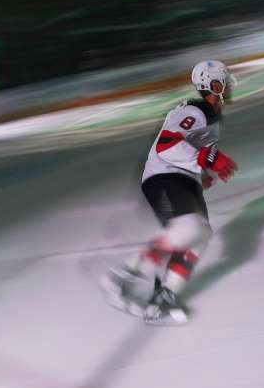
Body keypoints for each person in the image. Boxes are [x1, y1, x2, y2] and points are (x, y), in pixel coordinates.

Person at [100, 60, 239, 325]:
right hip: (163, 176)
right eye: (225, 81)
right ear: (215, 85)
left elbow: (193, 150)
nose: (230, 87)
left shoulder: (211, 116)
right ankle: (118, 279)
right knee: (186, 229)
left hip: (181, 178)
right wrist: (210, 158)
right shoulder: (195, 111)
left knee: (199, 234)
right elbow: (167, 145)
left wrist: (203, 172)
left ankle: (164, 296)